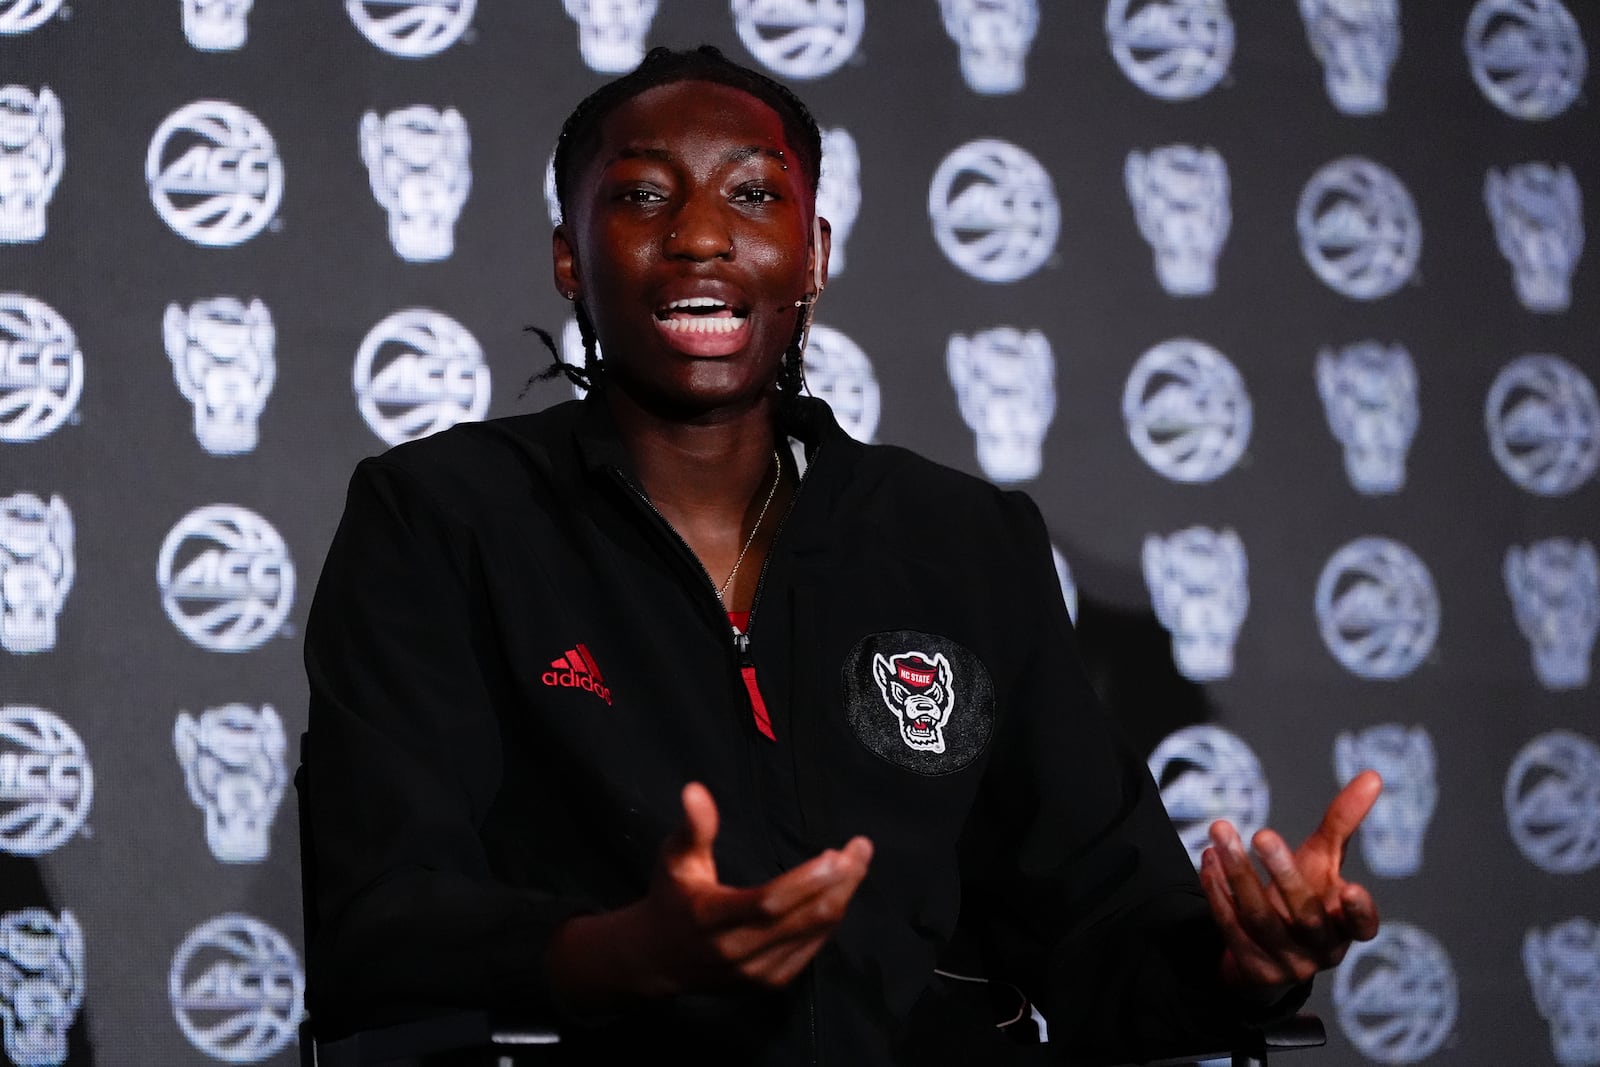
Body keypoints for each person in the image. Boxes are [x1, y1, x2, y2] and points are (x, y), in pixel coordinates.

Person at [302, 45, 1382, 1065]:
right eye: (640, 196)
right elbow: (381, 917)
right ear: (566, 259)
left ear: (813, 254)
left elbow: (1098, 922)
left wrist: (1242, 962)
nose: (700, 236)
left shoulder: (959, 539)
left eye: (754, 195)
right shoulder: (440, 518)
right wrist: (619, 950)